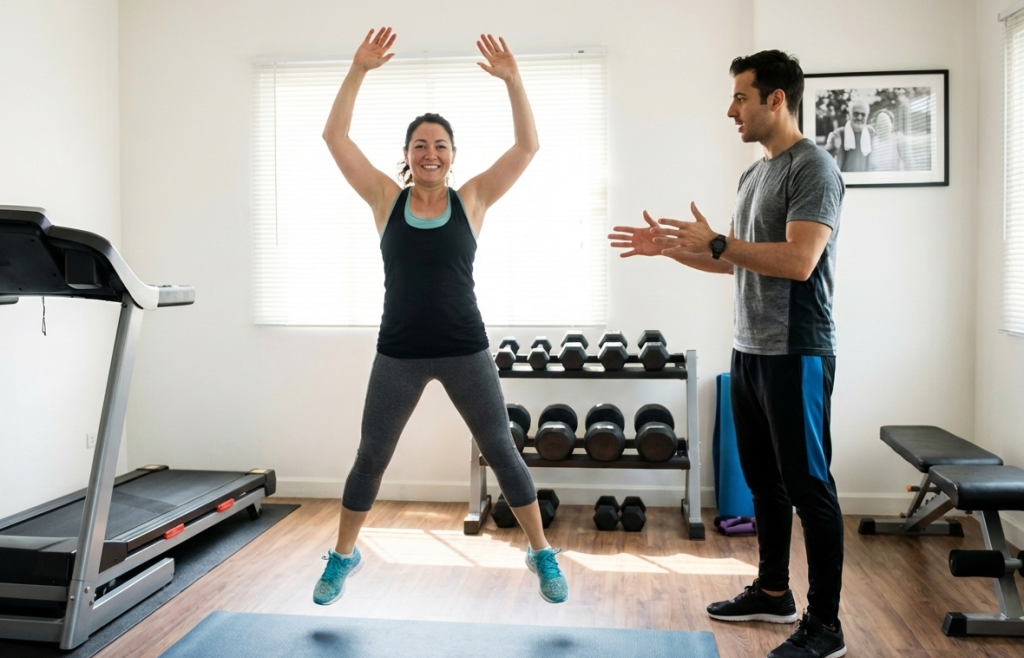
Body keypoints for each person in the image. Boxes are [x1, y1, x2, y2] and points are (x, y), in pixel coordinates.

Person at [314, 27, 567, 606]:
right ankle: (343, 557)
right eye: (420, 145)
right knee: (371, 458)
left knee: (501, 449)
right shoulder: (385, 198)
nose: (431, 153)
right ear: (405, 156)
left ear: (454, 155)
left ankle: (541, 553)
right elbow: (334, 137)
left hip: (464, 348)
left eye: (441, 145)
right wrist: (357, 68)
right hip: (398, 351)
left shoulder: (472, 198)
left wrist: (513, 80)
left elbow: (527, 147)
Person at [609, 50, 846, 658]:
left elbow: (799, 262)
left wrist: (717, 240)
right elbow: (731, 258)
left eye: (741, 96)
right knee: (765, 484)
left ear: (776, 99)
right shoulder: (754, 174)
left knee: (810, 486)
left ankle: (826, 626)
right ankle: (773, 591)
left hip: (796, 350)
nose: (730, 109)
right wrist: (671, 250)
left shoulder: (812, 168)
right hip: (749, 349)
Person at [825, 98, 874, 172]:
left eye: (863, 115)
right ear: (849, 114)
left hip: (865, 180)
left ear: (867, 116)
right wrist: (834, 149)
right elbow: (824, 160)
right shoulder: (838, 134)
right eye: (856, 114)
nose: (859, 117)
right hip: (845, 181)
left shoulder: (871, 133)